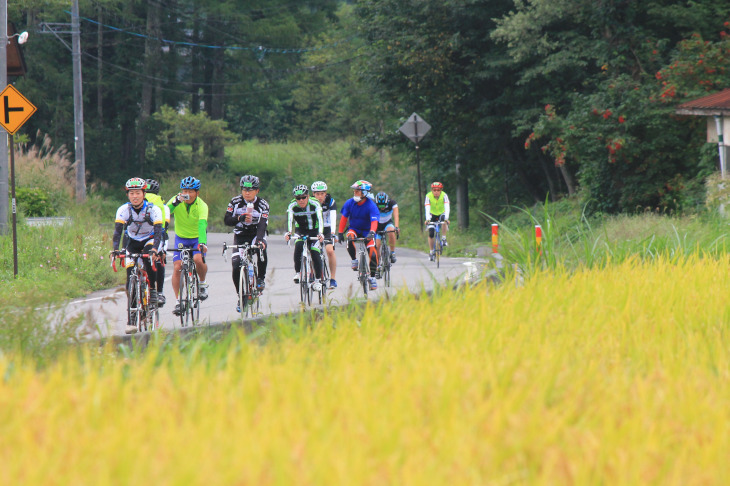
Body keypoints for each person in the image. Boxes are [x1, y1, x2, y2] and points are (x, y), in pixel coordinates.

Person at [112, 177, 163, 334]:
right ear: (128, 195)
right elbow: (117, 232)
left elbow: (158, 232)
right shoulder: (123, 210)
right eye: (132, 193)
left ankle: (153, 291)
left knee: (149, 259)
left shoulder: (153, 209)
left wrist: (155, 250)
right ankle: (131, 320)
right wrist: (116, 250)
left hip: (149, 240)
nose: (135, 196)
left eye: (138, 193)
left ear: (144, 193)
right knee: (130, 279)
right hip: (132, 242)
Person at [224, 175, 269, 312]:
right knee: (236, 265)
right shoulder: (235, 202)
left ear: (257, 191)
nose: (247, 192)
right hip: (241, 235)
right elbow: (227, 220)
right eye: (244, 189)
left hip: (256, 234)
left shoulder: (263, 204)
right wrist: (239, 218)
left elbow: (262, 224)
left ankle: (260, 278)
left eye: (251, 190)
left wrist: (260, 240)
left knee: (262, 249)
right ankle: (241, 296)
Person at [166, 176, 209, 316]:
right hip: (181, 238)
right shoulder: (177, 200)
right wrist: (175, 202)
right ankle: (179, 301)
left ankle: (202, 284)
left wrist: (202, 243)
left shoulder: (202, 205)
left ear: (197, 193)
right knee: (178, 266)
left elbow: (202, 224)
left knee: (197, 259)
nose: (187, 194)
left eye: (191, 191)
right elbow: (165, 211)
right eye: (185, 191)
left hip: (197, 238)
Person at [337, 180, 380, 291]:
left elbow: (374, 222)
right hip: (354, 229)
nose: (354, 193)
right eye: (354, 191)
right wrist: (340, 232)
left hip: (367, 231)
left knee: (373, 255)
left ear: (364, 193)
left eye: (357, 191)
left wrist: (372, 233)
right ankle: (354, 260)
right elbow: (344, 218)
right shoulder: (349, 203)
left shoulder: (371, 206)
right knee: (350, 237)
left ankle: (372, 277)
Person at [285, 184, 325, 292]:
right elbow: (290, 220)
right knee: (298, 246)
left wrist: (321, 233)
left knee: (315, 252)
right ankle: (298, 273)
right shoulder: (292, 205)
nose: (301, 200)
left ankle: (317, 280)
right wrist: (288, 232)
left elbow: (320, 219)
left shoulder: (315, 203)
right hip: (301, 230)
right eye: (298, 198)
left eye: (303, 197)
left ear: (308, 196)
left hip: (314, 231)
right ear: (295, 199)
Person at [144, 178, 170, 307]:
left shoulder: (136, 202)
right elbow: (164, 226)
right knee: (159, 260)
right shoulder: (163, 205)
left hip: (140, 238)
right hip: (158, 237)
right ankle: (159, 292)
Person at [311, 180, 338, 289]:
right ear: (313, 194)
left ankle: (333, 278)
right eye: (317, 194)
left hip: (327, 228)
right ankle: (311, 271)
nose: (320, 196)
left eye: (322, 194)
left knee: (329, 250)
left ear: (325, 193)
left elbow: (333, 218)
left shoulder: (330, 202)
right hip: (315, 229)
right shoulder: (310, 203)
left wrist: (332, 233)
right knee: (312, 250)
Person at [425, 181, 450, 261]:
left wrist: (446, 218)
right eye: (434, 190)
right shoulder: (428, 196)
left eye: (438, 190)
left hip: (441, 213)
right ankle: (431, 252)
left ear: (441, 190)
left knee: (443, 220)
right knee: (431, 233)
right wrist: (428, 219)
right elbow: (427, 208)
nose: (436, 192)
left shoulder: (444, 195)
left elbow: (447, 207)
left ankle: (443, 238)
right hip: (431, 215)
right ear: (432, 190)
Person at [374, 191, 399, 265]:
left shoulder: (392, 203)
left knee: (391, 231)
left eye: (383, 206)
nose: (382, 208)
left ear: (387, 202)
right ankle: (377, 266)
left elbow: (396, 215)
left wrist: (397, 227)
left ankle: (392, 252)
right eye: (380, 206)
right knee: (377, 246)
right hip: (377, 225)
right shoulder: (373, 205)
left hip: (388, 223)